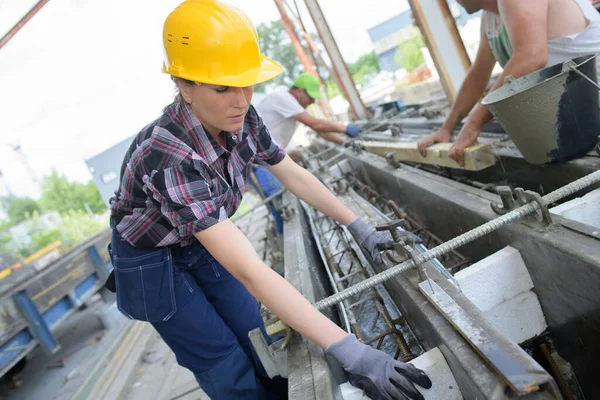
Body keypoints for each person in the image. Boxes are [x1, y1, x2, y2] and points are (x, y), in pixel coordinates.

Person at [107, 1, 432, 399]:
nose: (240, 99)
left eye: (246, 82)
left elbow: (293, 173)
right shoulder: (169, 155)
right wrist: (351, 350)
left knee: (254, 331)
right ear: (184, 85)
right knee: (222, 359)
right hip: (152, 258)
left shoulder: (243, 116)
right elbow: (249, 271)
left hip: (195, 237)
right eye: (222, 86)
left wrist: (359, 226)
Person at [417, 0, 600, 165]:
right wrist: (447, 128)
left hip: (592, 92)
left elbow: (530, 57)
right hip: (573, 108)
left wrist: (474, 123)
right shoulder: (491, 18)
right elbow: (478, 75)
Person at [252, 72, 362, 235]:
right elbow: (316, 124)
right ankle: (285, 238)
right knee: (280, 202)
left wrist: (345, 142)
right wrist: (345, 128)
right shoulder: (283, 98)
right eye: (310, 97)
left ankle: (283, 235)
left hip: (264, 160)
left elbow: (318, 129)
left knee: (279, 201)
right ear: (299, 91)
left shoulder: (289, 102)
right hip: (256, 162)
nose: (312, 102)